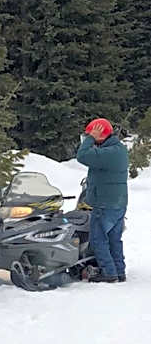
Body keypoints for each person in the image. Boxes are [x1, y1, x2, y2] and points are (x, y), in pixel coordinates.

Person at [76, 117, 128, 283]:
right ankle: (119, 271)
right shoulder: (118, 149)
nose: (88, 138)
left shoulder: (108, 153)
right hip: (118, 203)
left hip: (104, 203)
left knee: (98, 239)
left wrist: (91, 138)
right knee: (114, 240)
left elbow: (82, 155)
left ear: (101, 135)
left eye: (90, 135)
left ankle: (109, 272)